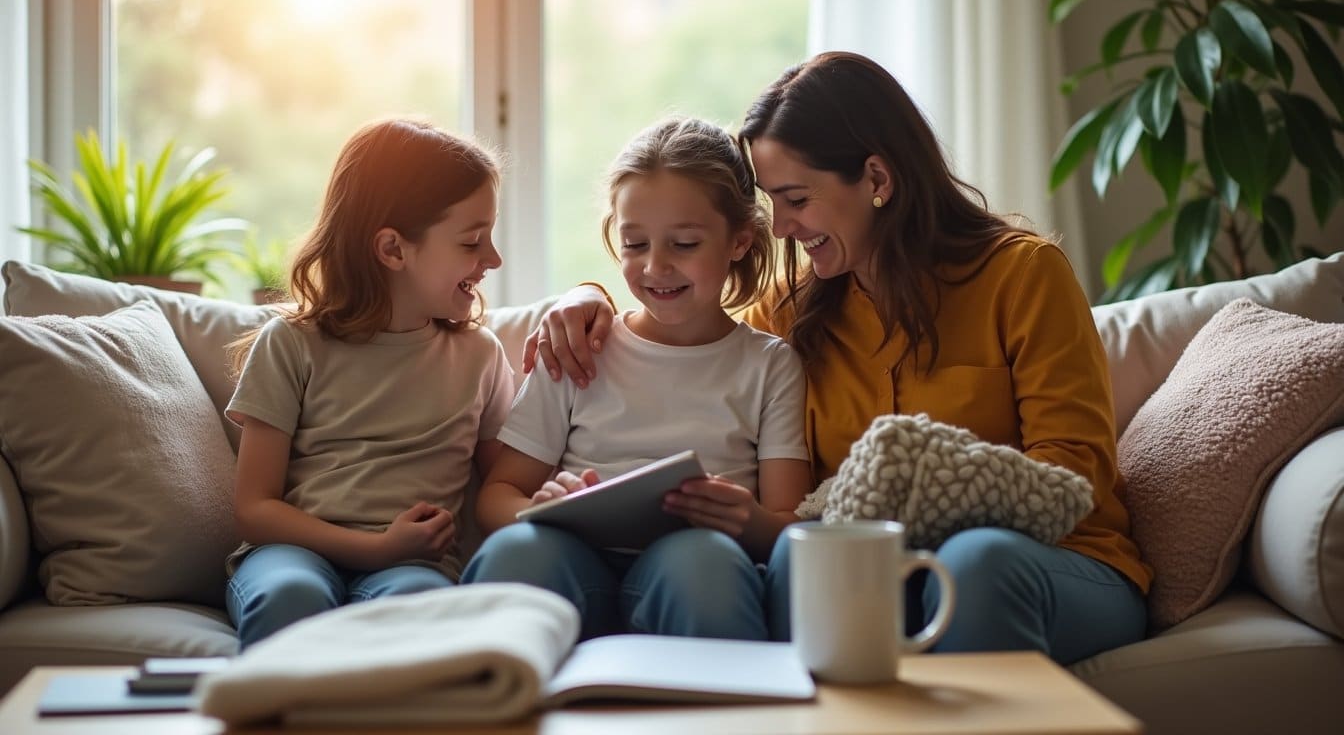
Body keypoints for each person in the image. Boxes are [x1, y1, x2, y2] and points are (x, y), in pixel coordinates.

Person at [522, 52, 1151, 665]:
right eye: (772, 202)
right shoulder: (794, 308)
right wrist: (588, 297)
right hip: (883, 571)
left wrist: (912, 497)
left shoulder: (1023, 274)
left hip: (1055, 561)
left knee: (975, 561)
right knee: (802, 554)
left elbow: (1073, 473)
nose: (781, 227)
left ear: (876, 180)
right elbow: (691, 325)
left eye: (796, 199)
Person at [462, 117, 813, 641]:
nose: (656, 267)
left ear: (739, 241)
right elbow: (498, 494)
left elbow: (789, 524)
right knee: (517, 552)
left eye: (685, 244)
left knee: (701, 562)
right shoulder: (581, 345)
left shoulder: (769, 365)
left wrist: (750, 520)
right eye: (635, 244)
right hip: (576, 563)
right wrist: (538, 510)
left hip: (697, 570)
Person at [223, 119, 513, 648]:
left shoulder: (479, 356)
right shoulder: (291, 343)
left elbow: (506, 488)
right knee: (289, 596)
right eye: (473, 241)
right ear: (393, 249)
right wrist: (375, 548)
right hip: (293, 555)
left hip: (414, 568)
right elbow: (254, 508)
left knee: (420, 606)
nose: (493, 259)